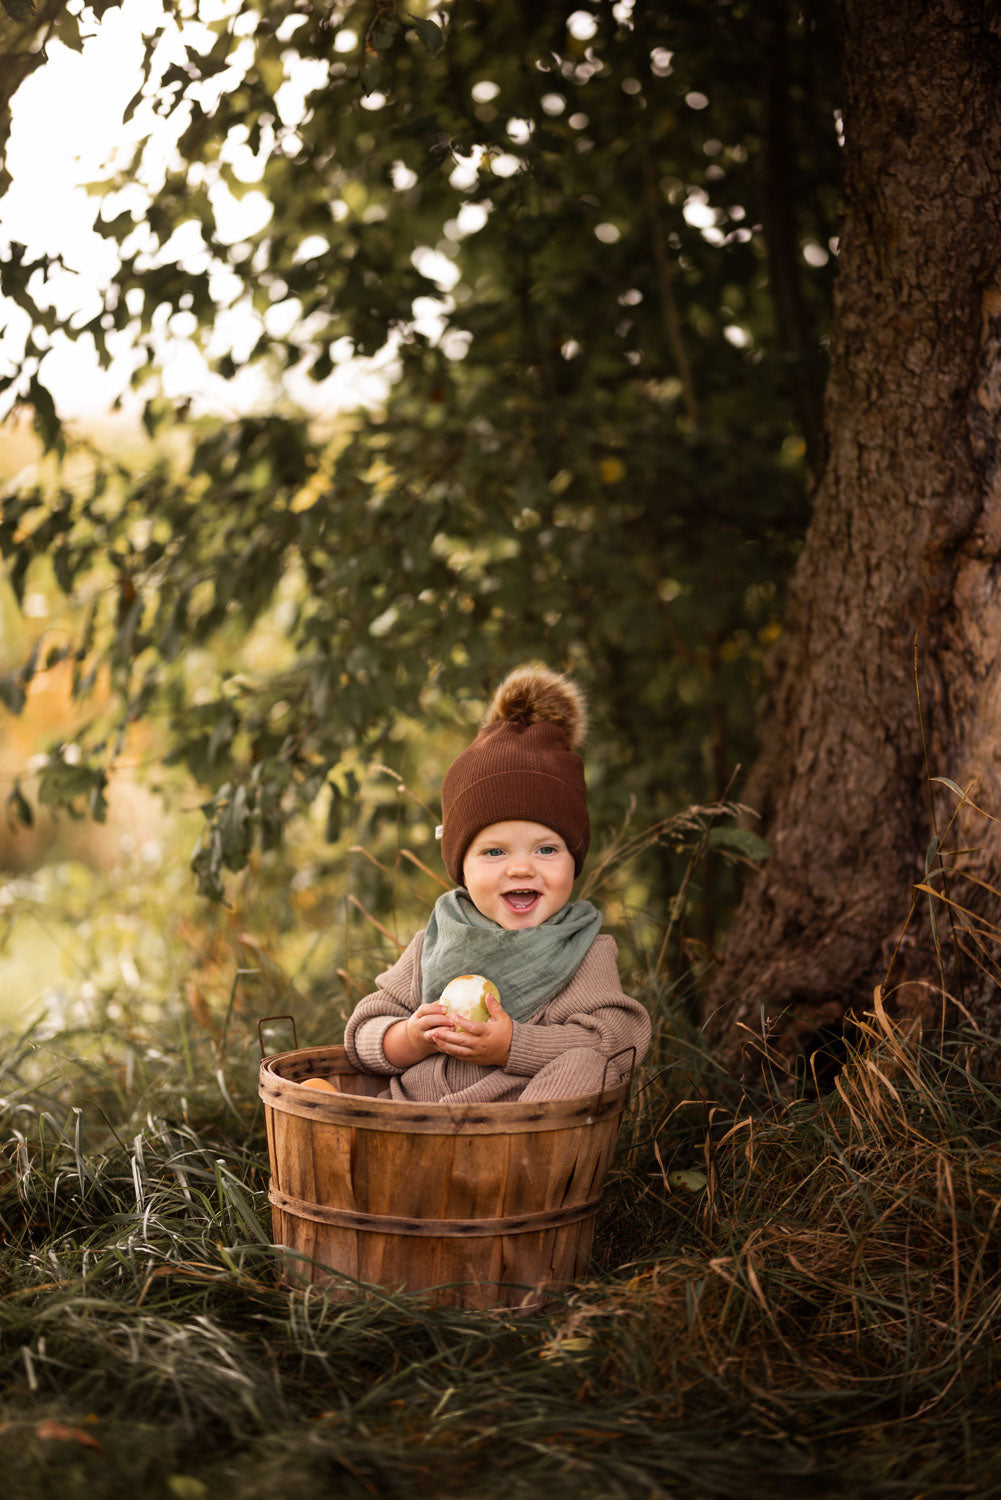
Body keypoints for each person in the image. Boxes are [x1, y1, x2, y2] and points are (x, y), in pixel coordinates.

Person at [342, 665, 651, 1103]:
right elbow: (361, 1035)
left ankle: (523, 1171)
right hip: (415, 1126)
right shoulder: (435, 942)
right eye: (494, 852)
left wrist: (513, 1047)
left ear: (574, 858)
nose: (522, 869)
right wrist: (411, 1037)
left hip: (517, 1136)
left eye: (546, 850)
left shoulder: (584, 951)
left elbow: (620, 1044)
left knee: (590, 1065)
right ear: (460, 866)